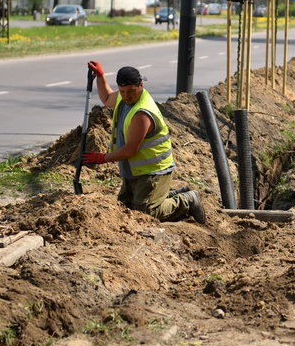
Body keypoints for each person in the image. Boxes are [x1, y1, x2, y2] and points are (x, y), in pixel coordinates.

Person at [81, 61, 206, 224]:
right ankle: (166, 195)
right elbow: (106, 98)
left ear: (141, 85)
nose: (126, 96)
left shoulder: (142, 113)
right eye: (123, 91)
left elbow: (130, 150)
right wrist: (100, 76)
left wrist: (102, 158)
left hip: (153, 170)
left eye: (131, 91)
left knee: (147, 213)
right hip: (135, 169)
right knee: (124, 207)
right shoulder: (123, 97)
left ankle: (188, 199)